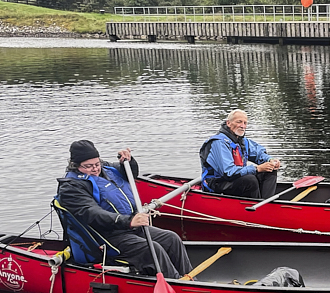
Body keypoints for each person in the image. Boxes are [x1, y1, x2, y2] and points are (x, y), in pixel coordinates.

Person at [56, 140, 192, 278]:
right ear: (75, 165)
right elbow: (91, 213)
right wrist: (128, 221)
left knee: (172, 238)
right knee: (153, 249)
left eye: (97, 164)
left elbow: (129, 173)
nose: (95, 169)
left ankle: (189, 279)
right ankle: (177, 285)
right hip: (106, 236)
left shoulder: (105, 168)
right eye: (88, 166)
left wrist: (128, 162)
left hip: (129, 227)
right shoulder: (71, 187)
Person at [199, 109, 281, 198]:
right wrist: (257, 168)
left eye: (245, 123)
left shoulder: (242, 141)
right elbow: (228, 173)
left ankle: (264, 205)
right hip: (217, 183)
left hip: (234, 179)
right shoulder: (218, 143)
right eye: (239, 122)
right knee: (250, 180)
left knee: (270, 170)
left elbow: (259, 153)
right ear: (228, 123)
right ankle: (255, 207)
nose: (243, 126)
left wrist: (270, 160)